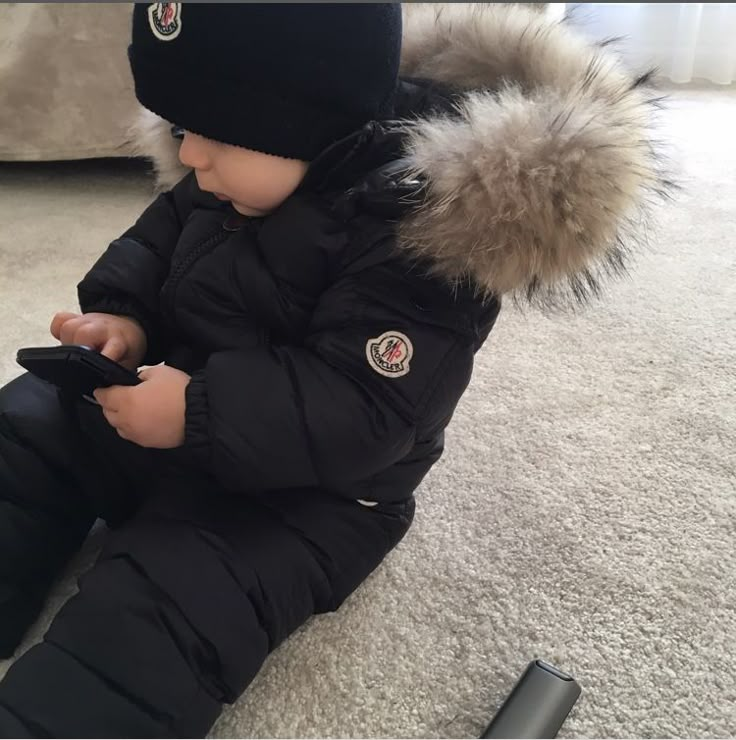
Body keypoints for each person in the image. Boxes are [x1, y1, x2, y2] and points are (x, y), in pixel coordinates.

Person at [0, 3, 664, 736]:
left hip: (313, 496)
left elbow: (366, 412)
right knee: (29, 427)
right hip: (181, 400)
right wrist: (122, 316)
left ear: (312, 121)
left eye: (215, 135)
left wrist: (201, 413)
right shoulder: (231, 169)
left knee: (173, 603)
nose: (190, 158)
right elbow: (158, 242)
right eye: (183, 129)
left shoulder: (423, 235)